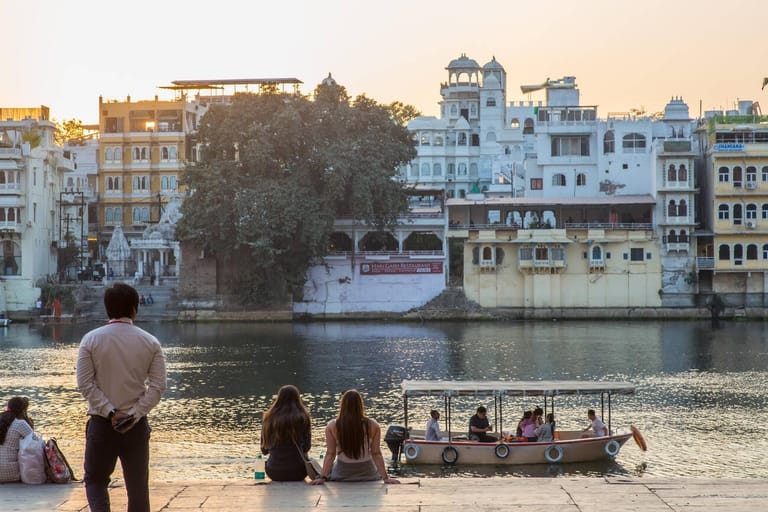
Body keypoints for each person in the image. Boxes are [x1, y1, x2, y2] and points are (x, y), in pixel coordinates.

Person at [76, 282, 167, 512]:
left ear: (106, 309)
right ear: (135, 309)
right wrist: (133, 415)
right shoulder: (150, 342)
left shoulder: (91, 340)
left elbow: (85, 384)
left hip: (101, 423)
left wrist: (111, 412)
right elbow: (158, 387)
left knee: (95, 481)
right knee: (138, 488)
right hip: (135, 426)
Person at [310, 389, 399, 484]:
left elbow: (331, 454)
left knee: (324, 466)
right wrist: (385, 478)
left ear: (342, 405)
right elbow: (376, 453)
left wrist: (322, 477)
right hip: (368, 473)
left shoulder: (332, 425)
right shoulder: (373, 425)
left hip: (342, 473)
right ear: (360, 405)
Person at [260, 384, 312, 481]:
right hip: (299, 471)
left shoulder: (268, 418)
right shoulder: (303, 417)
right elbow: (306, 447)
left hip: (274, 471)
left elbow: (264, 450)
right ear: (297, 398)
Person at [0, 397, 34, 483]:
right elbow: (35, 442)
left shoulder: (2, 421)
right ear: (22, 410)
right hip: (11, 474)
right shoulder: (20, 423)